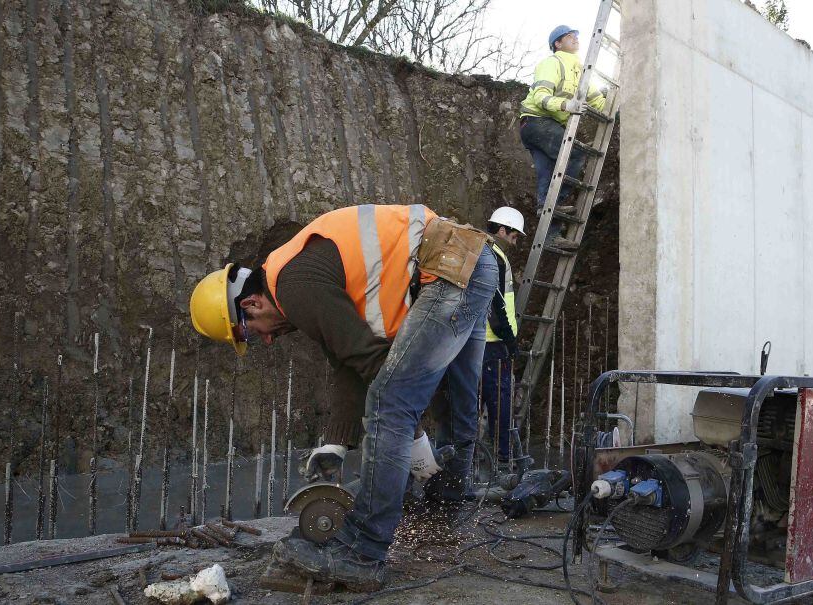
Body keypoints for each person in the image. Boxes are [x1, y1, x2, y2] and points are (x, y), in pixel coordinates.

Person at [189, 204, 498, 590]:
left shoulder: (293, 285)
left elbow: (370, 363)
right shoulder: (297, 275)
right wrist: (335, 444)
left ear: (250, 304)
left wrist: (415, 437)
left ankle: (362, 551)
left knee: (389, 403)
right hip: (471, 260)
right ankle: (446, 499)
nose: (265, 339)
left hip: (445, 271)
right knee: (454, 396)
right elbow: (348, 360)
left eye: (249, 332)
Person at [518, 25, 606, 245]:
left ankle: (550, 235)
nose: (575, 39)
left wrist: (618, 112)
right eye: (569, 36)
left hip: (538, 127)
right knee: (574, 154)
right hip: (537, 122)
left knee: (548, 178)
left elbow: (595, 99)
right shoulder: (552, 63)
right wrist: (567, 104)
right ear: (557, 44)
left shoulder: (579, 69)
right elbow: (540, 96)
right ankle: (554, 204)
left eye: (576, 36)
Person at [480, 207, 523, 464]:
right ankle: (503, 458)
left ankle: (472, 460)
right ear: (502, 229)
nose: (516, 242)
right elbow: (496, 305)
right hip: (494, 344)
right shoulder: (494, 257)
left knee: (476, 402)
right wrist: (509, 340)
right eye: (515, 235)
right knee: (500, 403)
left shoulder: (481, 251)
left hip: (476, 343)